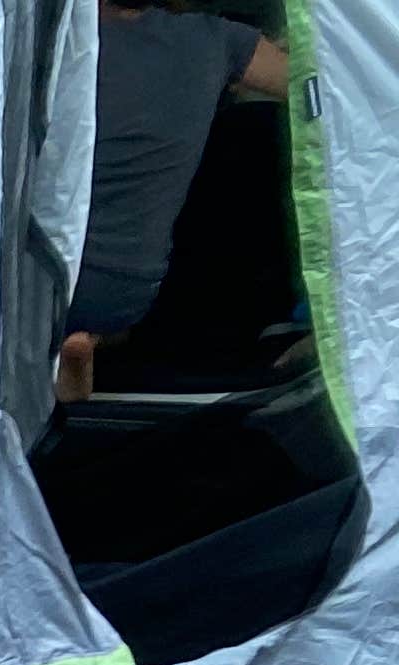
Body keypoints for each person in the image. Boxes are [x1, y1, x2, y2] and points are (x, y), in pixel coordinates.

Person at [59, 2, 291, 400]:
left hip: (39, 274)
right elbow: (318, 88)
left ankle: (68, 358)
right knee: (255, 133)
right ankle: (84, 346)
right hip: (123, 289)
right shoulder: (217, 41)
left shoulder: (49, 43)